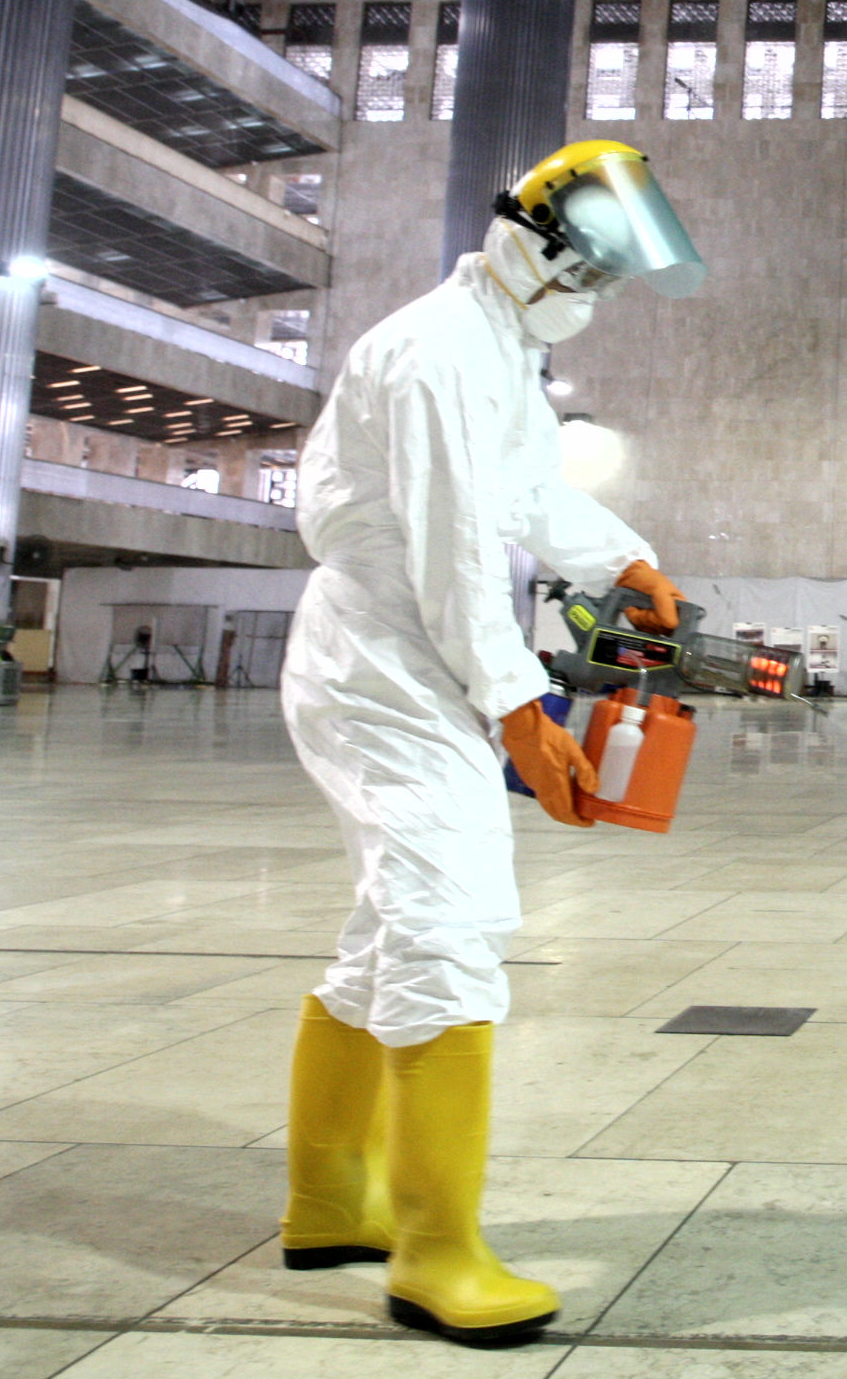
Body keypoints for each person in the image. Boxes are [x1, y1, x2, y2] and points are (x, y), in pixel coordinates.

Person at [275, 139, 705, 1349]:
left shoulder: (498, 351)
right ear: (529, 240)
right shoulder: (435, 352)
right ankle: (433, 1249)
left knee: (391, 929)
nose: (592, 301)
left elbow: (520, 499)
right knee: (452, 923)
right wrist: (521, 705)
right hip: (385, 661)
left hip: (417, 659)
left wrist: (620, 555)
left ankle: (326, 1201)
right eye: (588, 275)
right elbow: (456, 548)